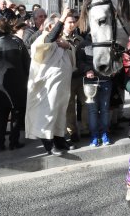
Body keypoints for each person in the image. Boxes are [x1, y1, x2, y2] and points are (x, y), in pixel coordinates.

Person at [25, 8, 76, 156]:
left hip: (61, 87)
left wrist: (68, 46)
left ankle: (60, 139)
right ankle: (49, 144)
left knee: (60, 113)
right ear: (49, 27)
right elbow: (50, 39)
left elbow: (71, 55)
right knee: (48, 112)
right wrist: (63, 18)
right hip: (46, 88)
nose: (60, 29)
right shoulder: (43, 39)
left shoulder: (61, 41)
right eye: (57, 26)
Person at [0, 19, 30, 150]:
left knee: (1, 114)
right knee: (17, 113)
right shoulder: (18, 43)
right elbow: (27, 65)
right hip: (18, 83)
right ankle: (14, 142)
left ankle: (0, 143)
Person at [77, 33, 113, 147]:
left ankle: (104, 134)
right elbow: (79, 62)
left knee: (105, 110)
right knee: (92, 111)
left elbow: (115, 58)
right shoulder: (83, 45)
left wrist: (114, 69)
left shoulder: (108, 42)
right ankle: (94, 135)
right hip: (90, 83)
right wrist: (87, 70)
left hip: (106, 81)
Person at [62, 10, 86, 143]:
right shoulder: (60, 39)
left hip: (80, 76)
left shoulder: (80, 39)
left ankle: (85, 128)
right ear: (64, 23)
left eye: (73, 22)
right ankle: (72, 132)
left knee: (85, 103)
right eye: (69, 22)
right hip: (68, 78)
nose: (72, 24)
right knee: (69, 106)